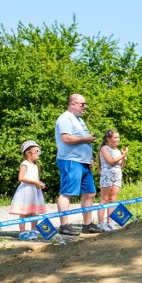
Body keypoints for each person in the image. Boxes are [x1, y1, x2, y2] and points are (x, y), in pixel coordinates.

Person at [54, 94, 103, 235]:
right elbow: (66, 138)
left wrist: (90, 157)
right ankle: (64, 225)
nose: (85, 107)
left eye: (85, 104)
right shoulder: (65, 118)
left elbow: (83, 142)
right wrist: (86, 139)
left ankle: (87, 225)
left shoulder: (79, 120)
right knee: (67, 193)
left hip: (83, 162)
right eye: (82, 104)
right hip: (70, 160)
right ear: (73, 104)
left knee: (90, 193)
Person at [9, 140, 46, 240]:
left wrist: (39, 183)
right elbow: (21, 178)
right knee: (24, 212)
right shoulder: (25, 164)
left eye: (39, 151)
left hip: (35, 191)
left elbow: (35, 178)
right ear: (28, 153)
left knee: (35, 212)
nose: (39, 154)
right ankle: (22, 232)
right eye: (36, 151)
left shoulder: (36, 166)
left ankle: (33, 230)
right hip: (26, 191)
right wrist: (35, 182)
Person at [96, 129, 128, 231]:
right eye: (115, 137)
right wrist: (122, 156)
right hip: (107, 175)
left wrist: (124, 158)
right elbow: (110, 161)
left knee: (113, 199)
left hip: (117, 176)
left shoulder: (118, 151)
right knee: (104, 199)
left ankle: (111, 221)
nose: (118, 139)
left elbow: (121, 166)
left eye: (118, 137)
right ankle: (101, 223)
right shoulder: (104, 148)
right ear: (108, 139)